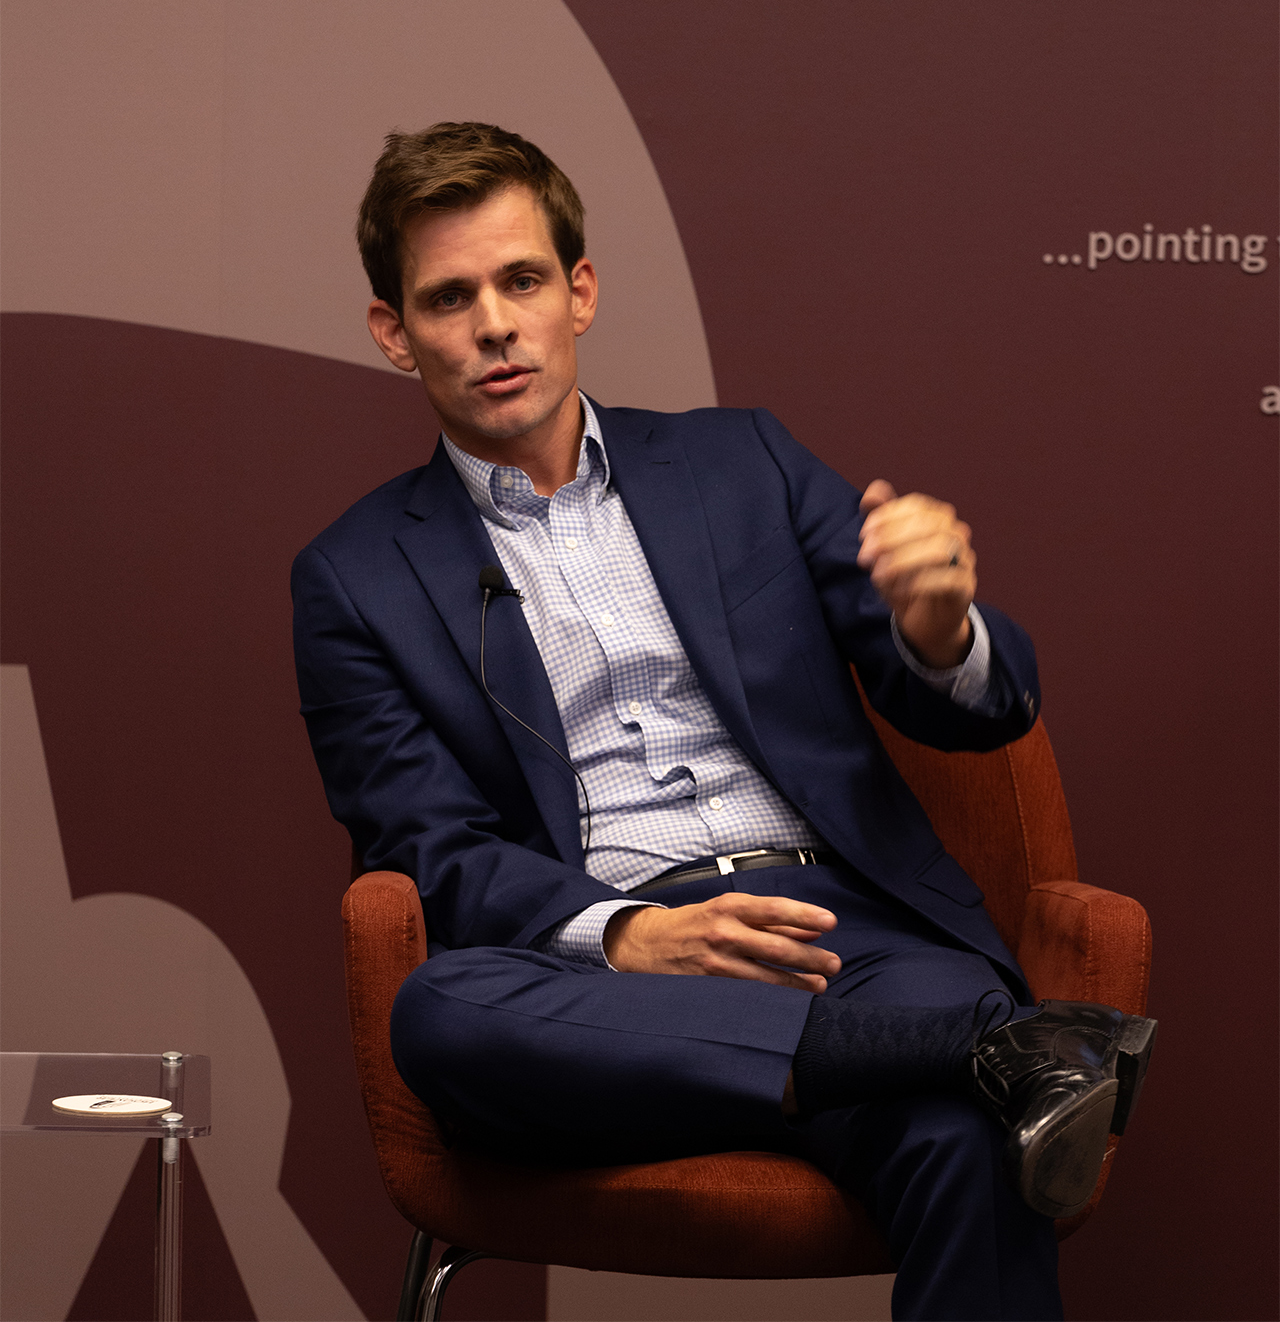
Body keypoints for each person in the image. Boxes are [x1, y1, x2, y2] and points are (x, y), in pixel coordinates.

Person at [292, 122, 1154, 1322]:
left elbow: (968, 705)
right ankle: (985, 1043)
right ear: (396, 330)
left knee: (959, 1143)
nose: (493, 323)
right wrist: (627, 933)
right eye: (449, 296)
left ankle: (936, 1052)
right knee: (439, 1012)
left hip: (841, 932)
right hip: (612, 985)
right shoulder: (353, 576)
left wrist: (940, 625)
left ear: (577, 291)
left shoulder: (737, 458)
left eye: (522, 280)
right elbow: (421, 844)